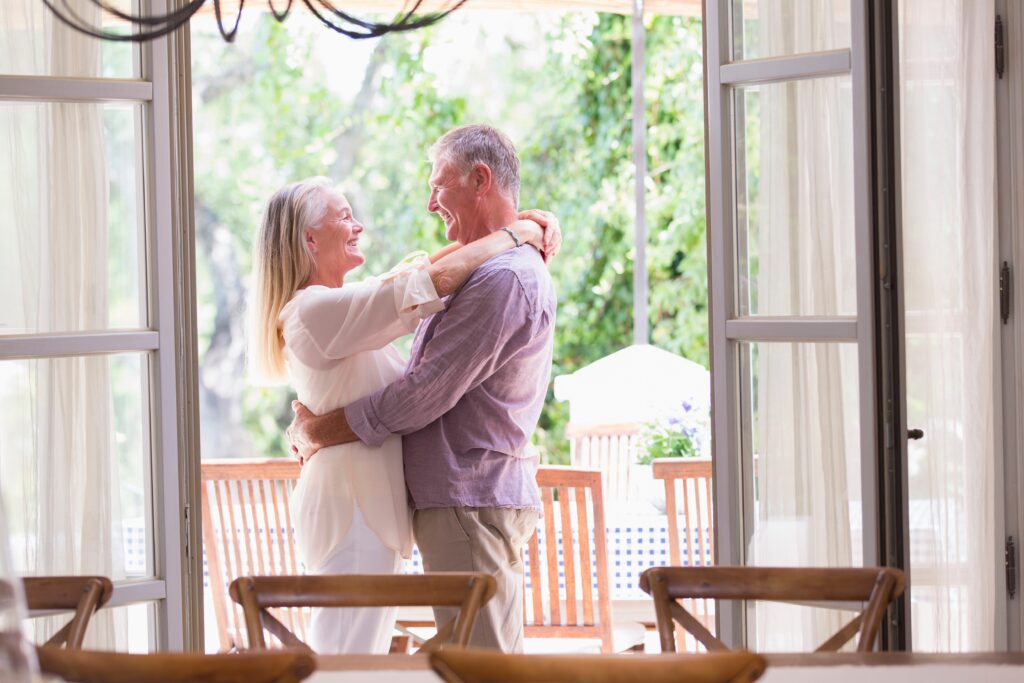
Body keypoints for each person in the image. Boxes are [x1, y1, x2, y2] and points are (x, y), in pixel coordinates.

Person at [248, 175, 558, 654]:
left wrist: (525, 226)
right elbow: (430, 282)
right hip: (352, 506)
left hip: (369, 507)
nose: (359, 226)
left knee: (357, 653)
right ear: (309, 239)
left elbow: (413, 271)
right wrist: (514, 236)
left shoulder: (339, 309)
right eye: (344, 216)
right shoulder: (313, 311)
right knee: (343, 657)